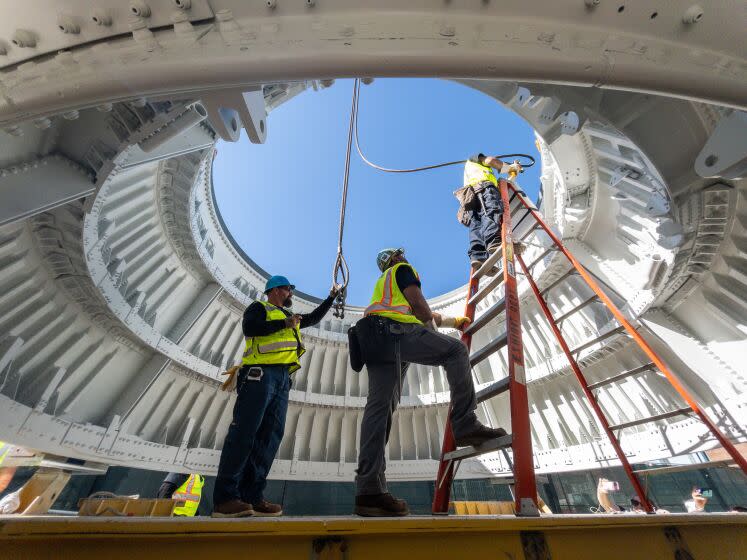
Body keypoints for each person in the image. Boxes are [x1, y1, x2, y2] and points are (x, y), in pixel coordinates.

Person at [353, 248, 507, 517]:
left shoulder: (384, 284)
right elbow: (421, 308)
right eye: (401, 255)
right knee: (455, 351)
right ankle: (466, 424)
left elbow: (414, 311)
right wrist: (438, 341)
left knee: (378, 412)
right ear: (396, 259)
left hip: (374, 339)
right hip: (395, 333)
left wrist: (453, 321)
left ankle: (369, 492)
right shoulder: (403, 270)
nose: (406, 257)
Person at [212, 275, 338, 518]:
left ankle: (252, 497)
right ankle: (225, 499)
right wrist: (285, 325)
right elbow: (250, 328)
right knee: (244, 434)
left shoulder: (288, 318)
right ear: (276, 290)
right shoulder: (260, 308)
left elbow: (312, 318)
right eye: (288, 290)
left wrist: (331, 297)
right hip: (259, 375)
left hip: (281, 380)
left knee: (270, 438)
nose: (291, 294)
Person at [461, 154, 521, 272]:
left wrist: (511, 174)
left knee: (476, 224)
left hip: (469, 196)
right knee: (491, 212)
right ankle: (494, 241)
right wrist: (510, 168)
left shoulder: (470, 172)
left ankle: (478, 257)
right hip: (483, 187)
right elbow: (491, 161)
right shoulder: (475, 158)